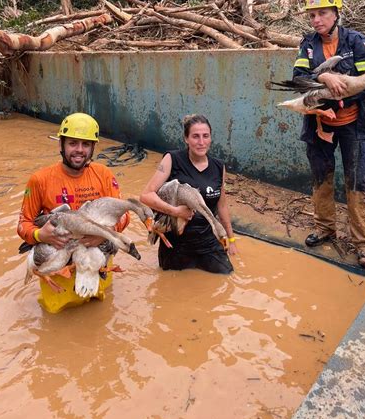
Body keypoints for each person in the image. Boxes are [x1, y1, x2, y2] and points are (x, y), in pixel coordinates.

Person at [293, 0, 365, 269]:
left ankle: (362, 244)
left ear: (336, 13)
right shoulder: (308, 44)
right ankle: (325, 229)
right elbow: (298, 77)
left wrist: (340, 95)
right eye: (312, 15)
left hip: (353, 125)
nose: (316, 20)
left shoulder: (357, 41)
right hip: (319, 122)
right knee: (322, 177)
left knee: (356, 183)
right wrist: (324, 79)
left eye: (322, 13)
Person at [17, 112, 129, 309]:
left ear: (93, 147)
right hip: (59, 265)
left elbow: (124, 216)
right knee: (56, 320)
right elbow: (23, 224)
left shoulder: (103, 175)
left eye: (86, 144)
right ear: (61, 144)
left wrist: (103, 236)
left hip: (96, 261)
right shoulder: (40, 180)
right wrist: (40, 235)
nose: (79, 150)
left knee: (101, 314)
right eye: (73, 143)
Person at [140, 114, 237, 274]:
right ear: (186, 138)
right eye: (195, 136)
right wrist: (176, 212)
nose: (201, 142)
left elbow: (222, 206)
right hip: (177, 244)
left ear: (210, 138)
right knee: (171, 288)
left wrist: (231, 240)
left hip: (208, 241)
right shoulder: (172, 159)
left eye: (205, 136)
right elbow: (146, 196)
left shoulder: (219, 167)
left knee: (227, 277)